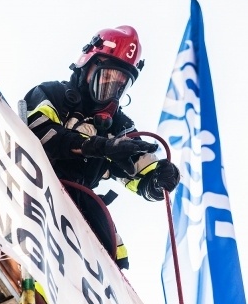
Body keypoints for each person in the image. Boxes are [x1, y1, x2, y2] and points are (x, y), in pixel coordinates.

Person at [23, 25, 180, 270]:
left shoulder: (120, 127)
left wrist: (160, 179)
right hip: (35, 193)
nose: (111, 91)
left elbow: (143, 178)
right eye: (106, 78)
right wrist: (98, 147)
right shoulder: (51, 94)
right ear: (87, 66)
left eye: (120, 86)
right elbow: (39, 133)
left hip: (80, 212)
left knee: (113, 251)